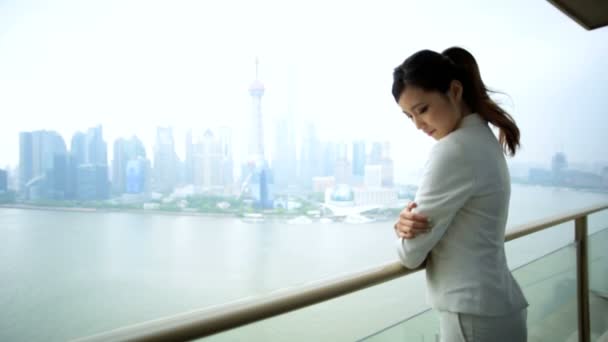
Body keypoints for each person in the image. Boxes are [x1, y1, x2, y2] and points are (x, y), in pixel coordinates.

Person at [391, 47, 528, 342]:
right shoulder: (482, 138)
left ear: (454, 90)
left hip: (472, 317)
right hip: (497, 306)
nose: (417, 125)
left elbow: (410, 254)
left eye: (422, 109)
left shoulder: (453, 150)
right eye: (408, 116)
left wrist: (402, 229)